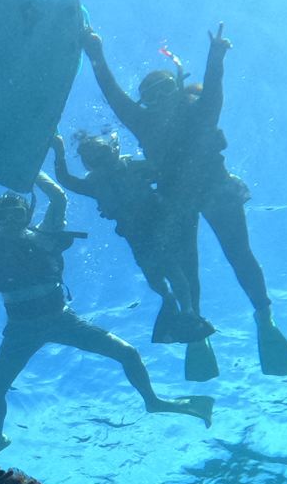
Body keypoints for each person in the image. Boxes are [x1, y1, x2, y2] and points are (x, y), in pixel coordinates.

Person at [82, 22, 287, 379]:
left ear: (178, 89)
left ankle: (264, 318)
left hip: (212, 191)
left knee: (239, 256)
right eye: (151, 95)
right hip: (178, 201)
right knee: (189, 269)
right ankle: (195, 325)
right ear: (146, 102)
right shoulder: (142, 121)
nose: (159, 100)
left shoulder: (198, 112)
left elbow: (214, 89)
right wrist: (95, 56)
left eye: (164, 90)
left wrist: (216, 56)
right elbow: (111, 93)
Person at [0, 172, 213, 463]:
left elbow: (58, 197)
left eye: (17, 213)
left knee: (128, 353)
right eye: (3, 215)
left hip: (61, 319)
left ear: (27, 215)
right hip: (20, 330)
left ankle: (153, 401)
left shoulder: (44, 235)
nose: (10, 220)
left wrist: (33, 169)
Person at [49, 131, 210, 345]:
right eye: (92, 158)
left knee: (172, 269)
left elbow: (165, 169)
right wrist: (58, 151)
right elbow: (66, 180)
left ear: (113, 150)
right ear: (89, 165)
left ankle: (188, 311)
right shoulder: (95, 185)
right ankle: (168, 299)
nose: (99, 159)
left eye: (102, 152)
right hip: (136, 237)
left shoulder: (133, 167)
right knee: (153, 277)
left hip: (158, 227)